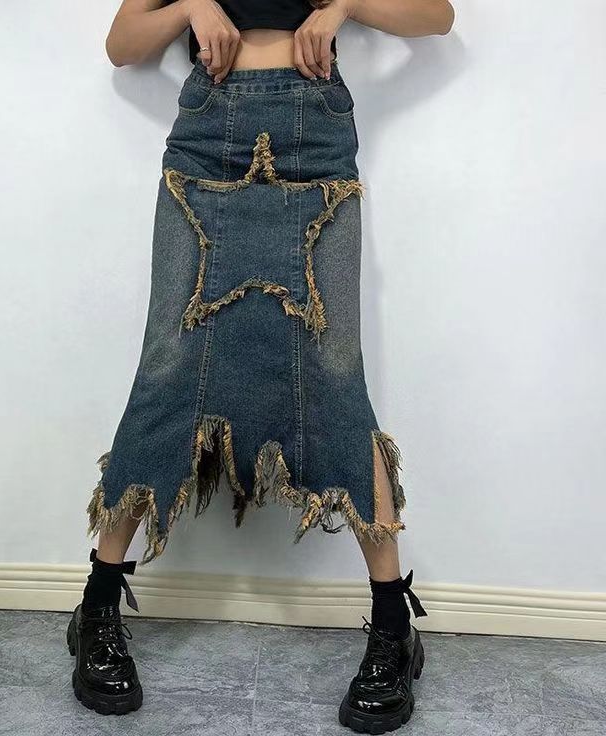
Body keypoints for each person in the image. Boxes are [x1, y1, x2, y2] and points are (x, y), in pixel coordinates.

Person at [66, 0, 454, 732]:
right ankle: (97, 607)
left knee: (334, 373)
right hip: (206, 143)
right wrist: (191, 5)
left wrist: (343, 7)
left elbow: (436, 16)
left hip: (316, 143)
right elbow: (122, 44)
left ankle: (392, 629)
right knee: (167, 369)